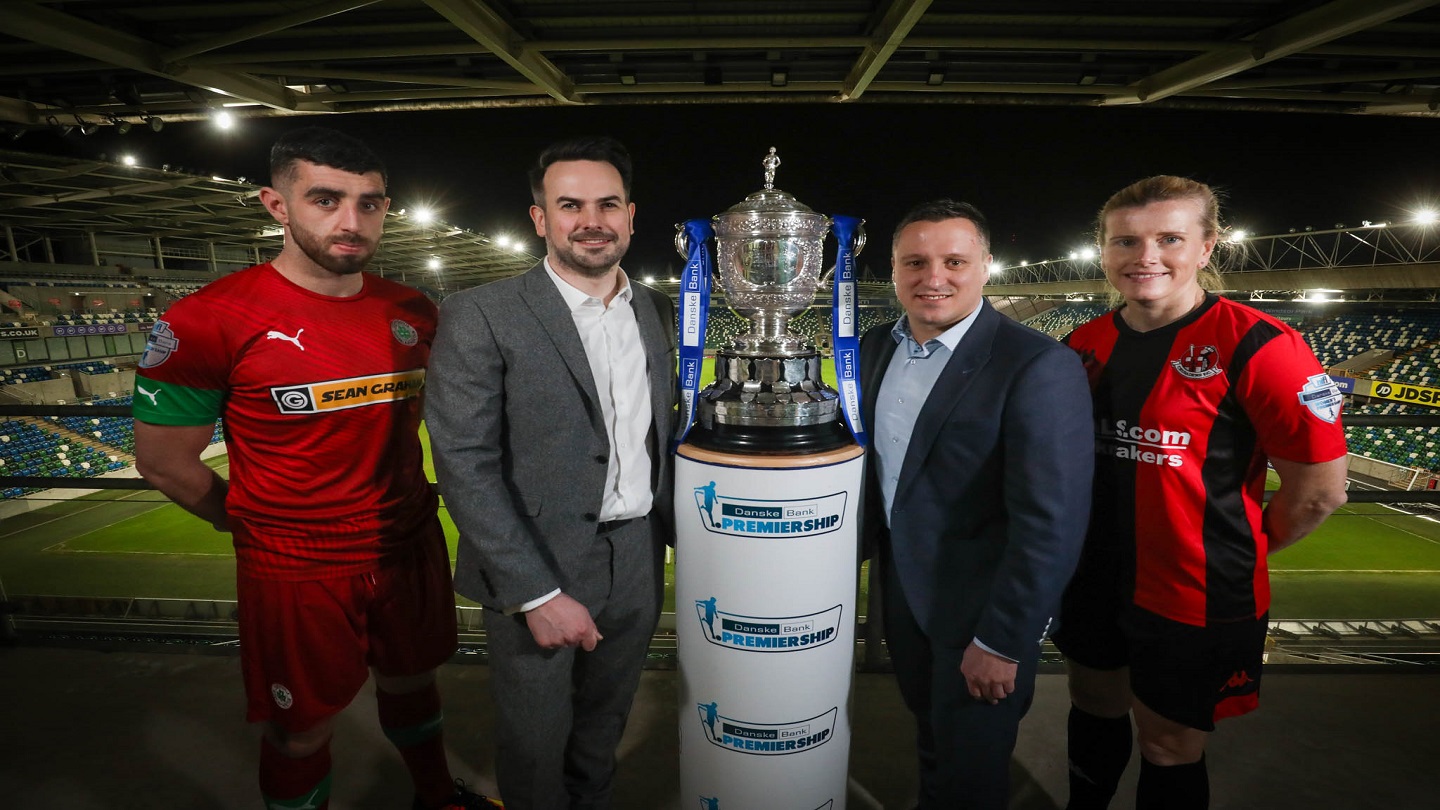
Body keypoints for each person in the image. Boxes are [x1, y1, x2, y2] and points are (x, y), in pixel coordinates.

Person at [132, 126, 496, 810]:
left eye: (369, 203)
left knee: (414, 684)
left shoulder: (413, 311)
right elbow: (163, 463)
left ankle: (435, 798)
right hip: (296, 564)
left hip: (407, 540)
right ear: (277, 204)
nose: (350, 221)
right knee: (300, 731)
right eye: (325, 199)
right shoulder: (208, 319)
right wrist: (258, 524)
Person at [1054, 176, 1349, 810]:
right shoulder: (1082, 345)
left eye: (1169, 239)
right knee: (1093, 704)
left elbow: (1320, 492)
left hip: (1195, 591)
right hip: (1093, 576)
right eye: (1125, 241)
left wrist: (1233, 551)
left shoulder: (1265, 346)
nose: (1146, 257)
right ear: (1103, 250)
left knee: (1169, 745)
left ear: (1207, 246)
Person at [426, 135, 676, 810]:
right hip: (536, 561)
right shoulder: (480, 313)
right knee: (536, 741)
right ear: (540, 218)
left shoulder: (654, 308)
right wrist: (534, 593)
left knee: (603, 728)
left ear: (630, 215)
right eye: (570, 205)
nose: (590, 220)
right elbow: (464, 463)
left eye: (607, 204)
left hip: (637, 554)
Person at [859, 199, 1095, 809]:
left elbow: (1052, 523)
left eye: (954, 261)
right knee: (934, 744)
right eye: (915, 261)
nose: (932, 277)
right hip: (906, 605)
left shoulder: (1038, 364)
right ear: (893, 268)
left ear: (986, 266)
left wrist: (1003, 641)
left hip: (981, 620)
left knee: (973, 773)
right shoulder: (872, 348)